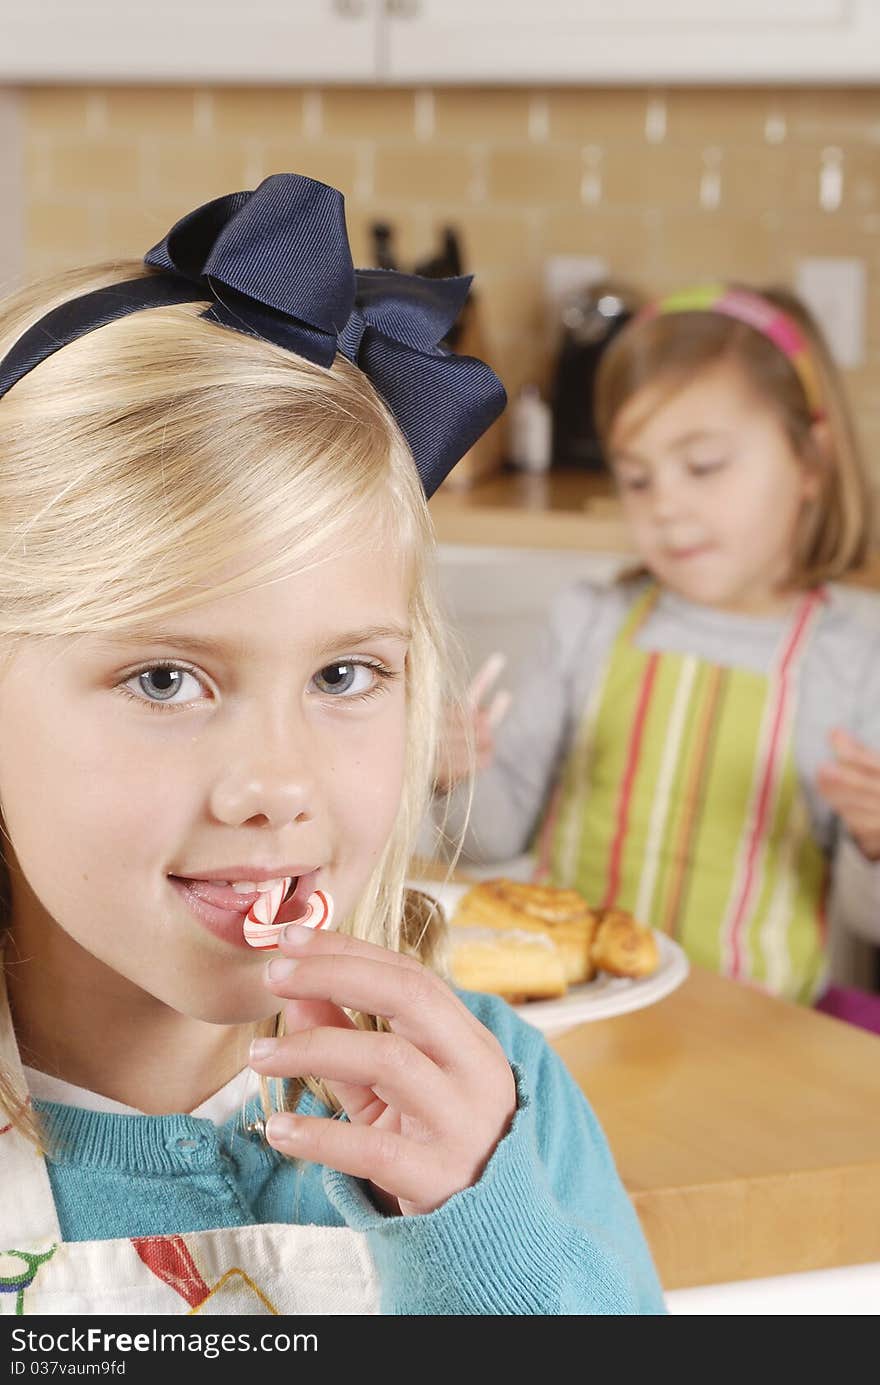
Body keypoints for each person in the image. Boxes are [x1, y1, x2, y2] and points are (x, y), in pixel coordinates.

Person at [0, 173, 665, 1316]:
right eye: (167, 678)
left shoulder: (498, 1103)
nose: (279, 786)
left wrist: (478, 1236)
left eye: (344, 674)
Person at [432, 282, 880, 1031]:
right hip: (579, 1014)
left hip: (755, 1037)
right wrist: (452, 777)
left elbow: (868, 924)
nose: (664, 504)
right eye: (637, 477)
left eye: (702, 466)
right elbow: (496, 838)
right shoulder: (591, 619)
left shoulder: (855, 654)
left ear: (812, 460)